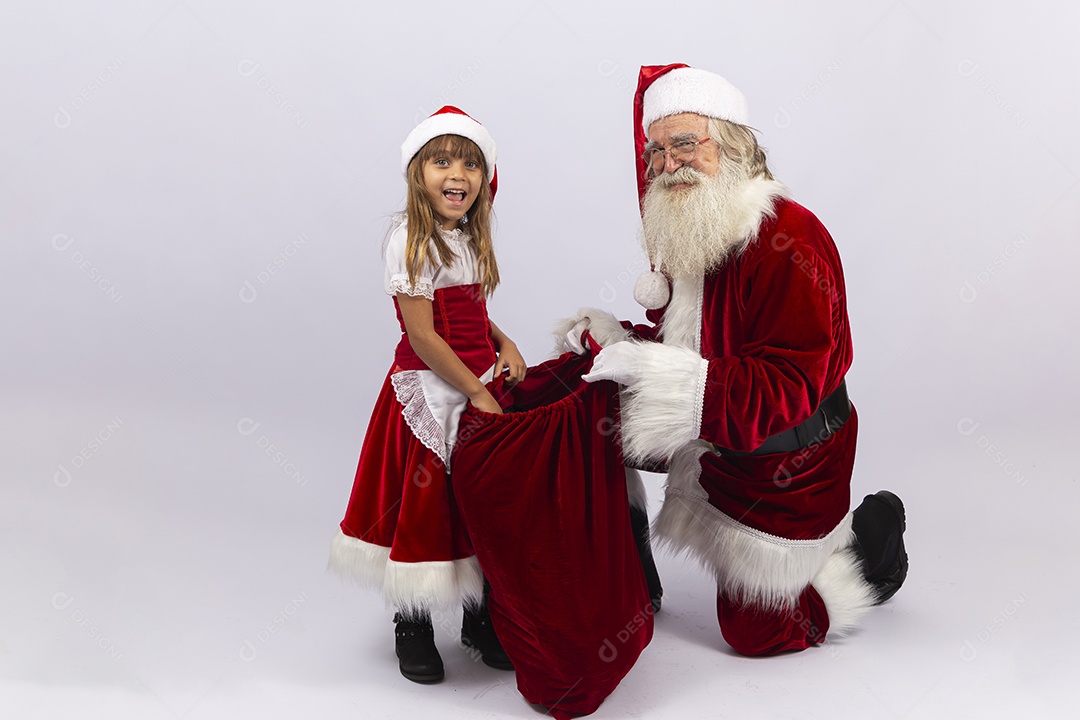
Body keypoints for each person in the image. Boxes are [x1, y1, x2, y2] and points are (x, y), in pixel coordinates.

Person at [561, 64, 908, 656]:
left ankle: (869, 550)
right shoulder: (698, 226)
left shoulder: (788, 240)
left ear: (734, 146)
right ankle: (626, 565)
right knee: (580, 409)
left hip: (788, 460)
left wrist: (646, 371)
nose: (670, 164)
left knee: (756, 634)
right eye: (657, 152)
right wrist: (616, 339)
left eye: (686, 144)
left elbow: (787, 386)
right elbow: (694, 342)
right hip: (716, 430)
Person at [329, 106, 526, 682]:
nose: (456, 174)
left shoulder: (465, 236)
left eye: (469, 162)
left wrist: (504, 342)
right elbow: (423, 333)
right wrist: (476, 394)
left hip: (478, 380)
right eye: (441, 161)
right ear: (418, 172)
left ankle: (478, 616)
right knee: (424, 503)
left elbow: (469, 313)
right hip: (432, 388)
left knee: (479, 501)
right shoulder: (408, 239)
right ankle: (411, 622)